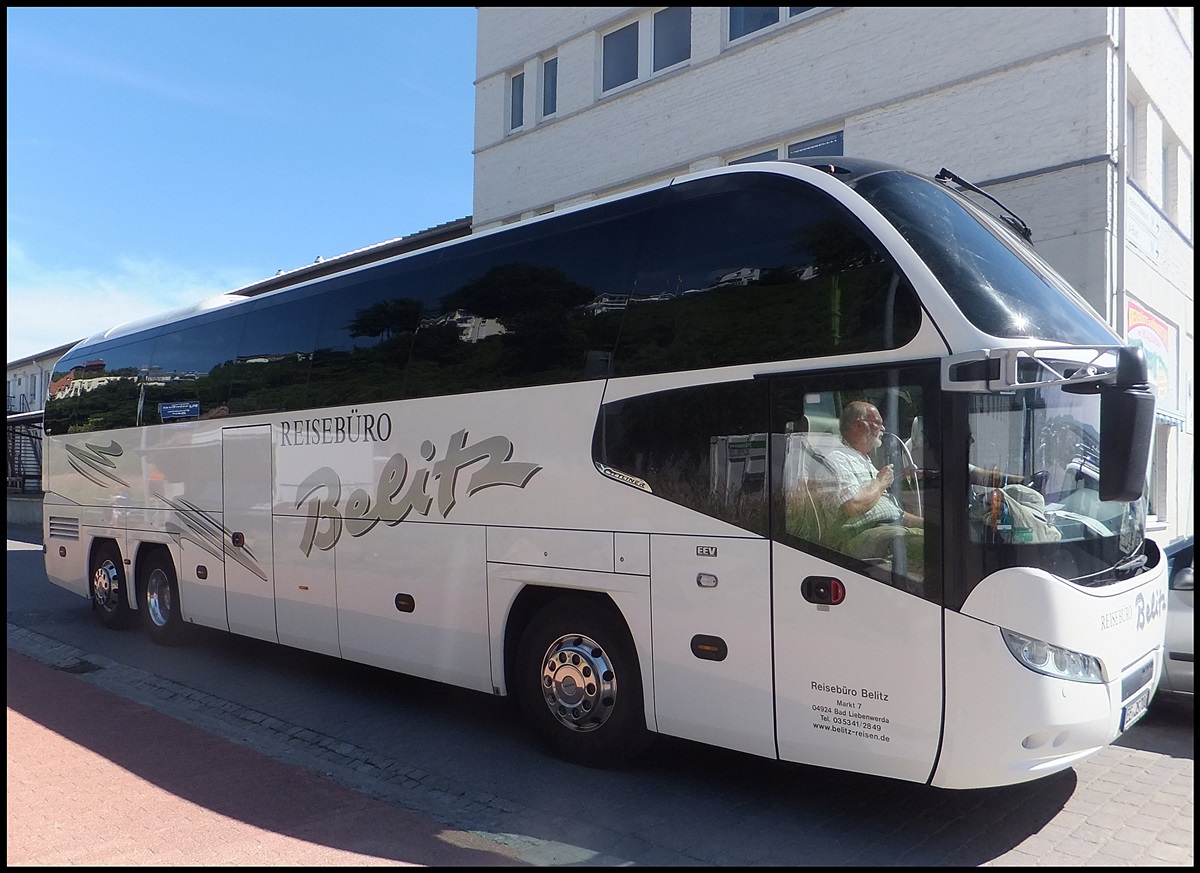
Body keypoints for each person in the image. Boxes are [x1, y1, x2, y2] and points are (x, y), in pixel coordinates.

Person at [823, 400, 922, 564]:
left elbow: (892, 511)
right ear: (859, 425)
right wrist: (880, 482)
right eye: (878, 423)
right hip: (864, 533)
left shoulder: (864, 460)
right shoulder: (839, 459)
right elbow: (852, 506)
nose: (883, 429)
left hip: (888, 528)